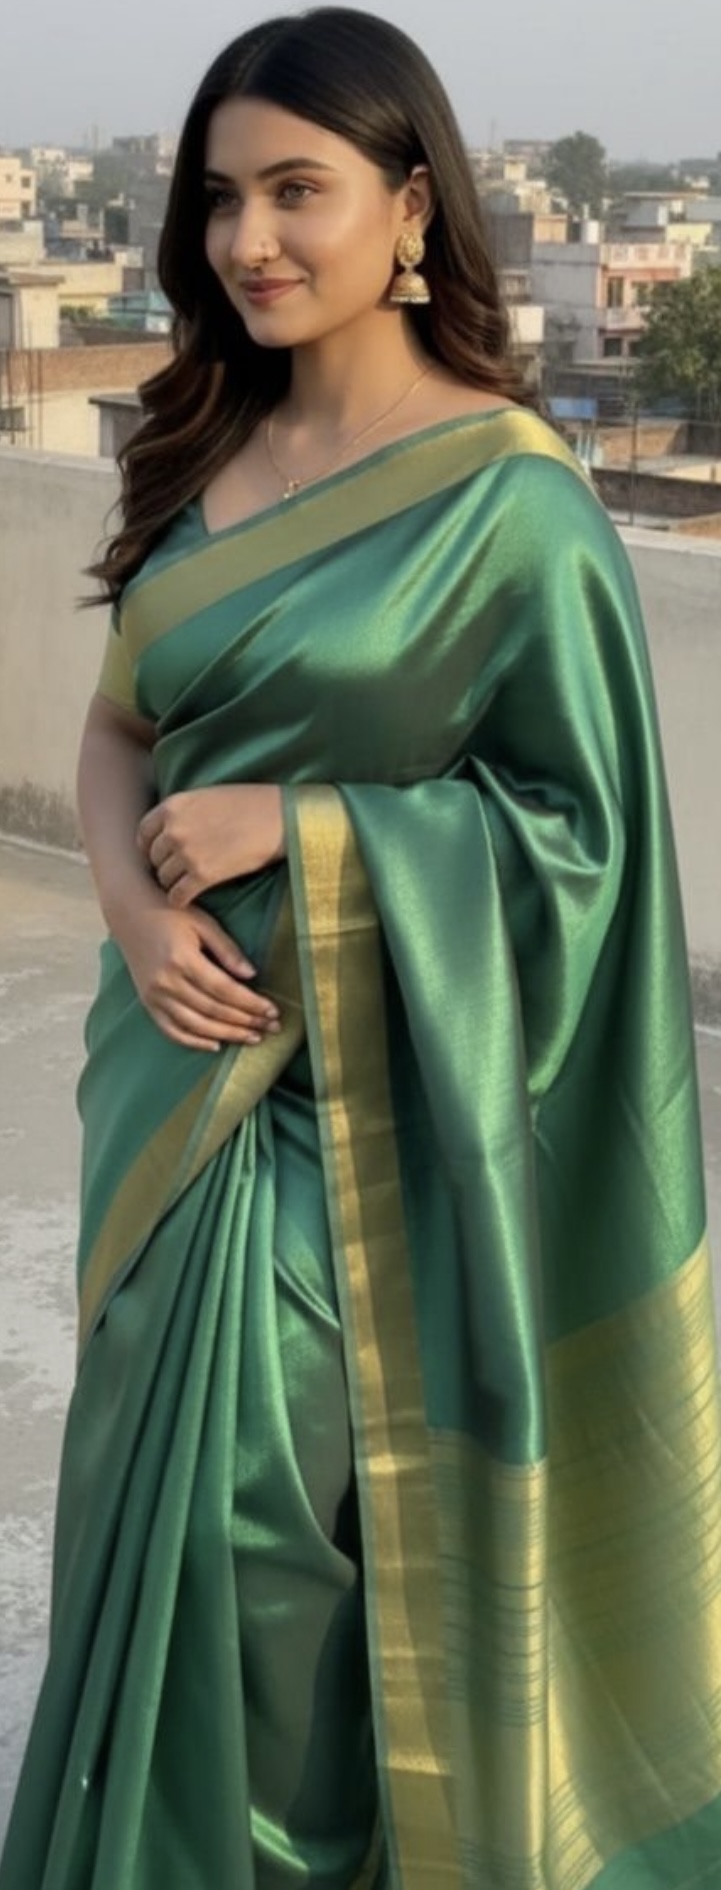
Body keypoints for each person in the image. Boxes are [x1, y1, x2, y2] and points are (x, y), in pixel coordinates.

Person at [2, 9, 721, 1887]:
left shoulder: (511, 500)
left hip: (374, 1135)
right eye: (218, 198)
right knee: (141, 1501)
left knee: (273, 1547)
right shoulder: (200, 443)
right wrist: (134, 904)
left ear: (412, 205)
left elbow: (584, 846)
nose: (248, 239)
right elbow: (117, 732)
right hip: (170, 1094)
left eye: (296, 191)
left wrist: (304, 827)